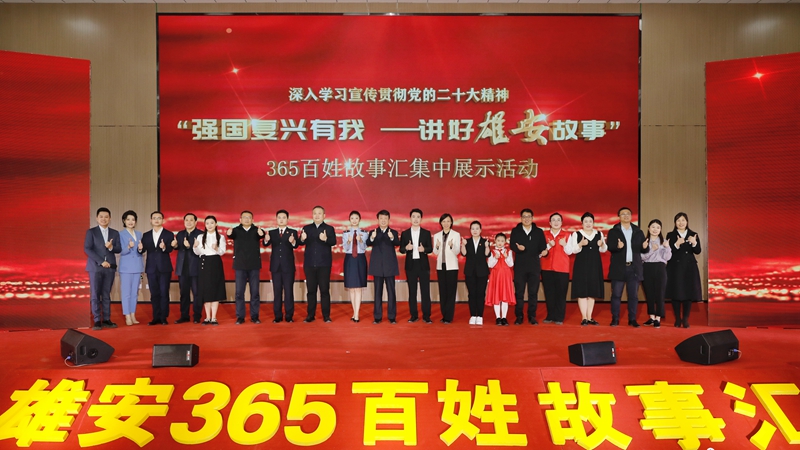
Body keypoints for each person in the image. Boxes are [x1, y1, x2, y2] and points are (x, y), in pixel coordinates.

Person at [606, 207, 650, 327]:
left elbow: (643, 249)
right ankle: (615, 319)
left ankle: (632, 319)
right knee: (616, 295)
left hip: (634, 268)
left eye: (628, 214)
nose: (626, 216)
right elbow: (610, 247)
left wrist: (645, 247)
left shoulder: (638, 231)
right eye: (623, 214)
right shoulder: (614, 231)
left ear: (631, 216)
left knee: (633, 296)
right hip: (618, 268)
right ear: (619, 217)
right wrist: (617, 247)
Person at [565, 212, 607, 326]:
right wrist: (580, 244)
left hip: (594, 265)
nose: (588, 224)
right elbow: (571, 250)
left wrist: (602, 244)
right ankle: (583, 317)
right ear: (582, 223)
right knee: (582, 291)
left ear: (593, 223)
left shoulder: (599, 233)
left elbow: (604, 249)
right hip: (581, 265)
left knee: (592, 291)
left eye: (590, 221)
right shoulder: (576, 234)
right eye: (586, 221)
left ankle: (589, 317)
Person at [84, 207, 121, 330]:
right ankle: (96, 320)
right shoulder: (91, 232)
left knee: (106, 294)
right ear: (97, 218)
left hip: (109, 268)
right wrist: (101, 261)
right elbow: (87, 249)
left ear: (110, 218)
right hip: (95, 267)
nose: (103, 219)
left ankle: (106, 319)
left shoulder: (115, 233)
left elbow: (119, 249)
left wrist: (111, 247)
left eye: (106, 217)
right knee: (95, 294)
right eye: (101, 216)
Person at [509, 209, 548, 325]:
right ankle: (519, 316)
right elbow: (512, 245)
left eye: (529, 216)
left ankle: (532, 316)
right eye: (524, 217)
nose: (526, 219)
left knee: (533, 293)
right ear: (521, 218)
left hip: (534, 267)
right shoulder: (515, 231)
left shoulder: (538, 232)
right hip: (520, 267)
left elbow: (543, 247)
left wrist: (545, 252)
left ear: (532, 218)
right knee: (519, 293)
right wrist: (518, 249)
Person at [298, 206, 337, 322]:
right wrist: (302, 239)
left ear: (324, 216)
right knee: (311, 291)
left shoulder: (329, 228)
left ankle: (326, 316)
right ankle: (310, 315)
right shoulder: (306, 228)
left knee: (324, 290)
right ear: (312, 215)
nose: (317, 215)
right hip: (309, 264)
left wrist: (325, 239)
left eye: (319, 213)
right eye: (315, 213)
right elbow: (300, 242)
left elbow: (333, 242)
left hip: (324, 264)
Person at [227, 210, 266, 325]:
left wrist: (261, 234)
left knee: (255, 292)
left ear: (253, 220)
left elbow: (262, 235)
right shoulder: (236, 230)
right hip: (240, 265)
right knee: (239, 293)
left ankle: (255, 316)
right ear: (240, 220)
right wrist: (229, 233)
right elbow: (230, 235)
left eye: (249, 217)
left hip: (254, 265)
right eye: (244, 217)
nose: (247, 219)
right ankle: (240, 317)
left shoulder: (256, 230)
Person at [666, 212, 702, 328]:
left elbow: (698, 251)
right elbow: (667, 252)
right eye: (678, 220)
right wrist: (676, 244)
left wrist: (694, 243)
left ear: (687, 222)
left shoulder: (693, 234)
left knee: (688, 293)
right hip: (675, 267)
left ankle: (685, 319)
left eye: (683, 220)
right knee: (676, 293)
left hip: (689, 267)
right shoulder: (670, 235)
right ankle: (677, 318)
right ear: (675, 223)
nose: (681, 223)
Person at [138, 211, 174, 326]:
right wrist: (140, 249)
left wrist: (164, 247)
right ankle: (155, 317)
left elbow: (170, 249)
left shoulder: (169, 234)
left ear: (163, 220)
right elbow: (143, 250)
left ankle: (163, 317)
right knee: (154, 294)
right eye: (154, 218)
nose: (157, 220)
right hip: (151, 268)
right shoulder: (146, 235)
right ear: (151, 220)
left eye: (159, 218)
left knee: (164, 292)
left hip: (164, 268)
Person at [263, 210, 299, 323]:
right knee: (277, 291)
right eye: (279, 217)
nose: (281, 219)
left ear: (287, 219)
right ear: (276, 219)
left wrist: (293, 242)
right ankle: (277, 316)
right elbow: (265, 244)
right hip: (275, 266)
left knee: (288, 292)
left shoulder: (292, 232)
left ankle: (289, 316)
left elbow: (296, 245)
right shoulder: (272, 232)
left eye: (284, 217)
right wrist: (266, 240)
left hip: (288, 267)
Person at [399, 208, 433, 323]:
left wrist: (424, 249)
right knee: (412, 292)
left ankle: (426, 316)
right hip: (411, 266)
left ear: (421, 219)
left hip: (423, 265)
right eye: (413, 217)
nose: (416, 219)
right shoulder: (405, 233)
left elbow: (430, 248)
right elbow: (401, 249)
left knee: (425, 291)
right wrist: (406, 248)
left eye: (418, 217)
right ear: (410, 218)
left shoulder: (426, 233)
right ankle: (413, 315)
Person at [367, 210, 401, 324]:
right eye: (381, 218)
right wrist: (372, 238)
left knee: (391, 292)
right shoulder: (373, 232)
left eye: (385, 218)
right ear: (378, 220)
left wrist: (391, 238)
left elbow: (397, 243)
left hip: (390, 267)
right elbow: (368, 243)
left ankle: (392, 317)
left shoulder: (393, 232)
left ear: (389, 220)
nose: (383, 220)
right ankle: (377, 317)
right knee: (377, 293)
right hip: (377, 267)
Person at [193, 216, 226, 325]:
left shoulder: (220, 237)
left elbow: (222, 251)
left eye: (212, 223)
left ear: (216, 224)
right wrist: (195, 247)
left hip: (215, 263)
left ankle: (214, 317)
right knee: (205, 290)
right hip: (204, 262)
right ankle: (207, 317)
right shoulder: (200, 236)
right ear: (205, 225)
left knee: (215, 289)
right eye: (207, 223)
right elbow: (197, 252)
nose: (210, 225)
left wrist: (217, 249)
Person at [171, 213, 203, 324]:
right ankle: (184, 315)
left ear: (195, 222)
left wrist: (190, 246)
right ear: (184, 222)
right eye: (186, 220)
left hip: (195, 267)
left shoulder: (200, 234)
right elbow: (179, 247)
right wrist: (175, 246)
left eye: (191, 220)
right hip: (182, 268)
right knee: (184, 294)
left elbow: (202, 250)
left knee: (197, 293)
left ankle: (197, 316)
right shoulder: (180, 234)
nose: (188, 222)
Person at [641, 219, 672, 328]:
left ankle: (658, 318)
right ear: (649, 228)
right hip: (647, 267)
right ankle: (651, 317)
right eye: (653, 227)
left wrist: (667, 247)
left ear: (660, 229)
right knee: (649, 293)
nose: (655, 229)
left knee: (660, 293)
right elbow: (641, 257)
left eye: (658, 227)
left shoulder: (664, 241)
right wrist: (651, 250)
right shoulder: (644, 241)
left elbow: (667, 257)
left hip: (660, 267)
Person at [540, 213, 570, 325]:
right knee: (549, 293)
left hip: (562, 268)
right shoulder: (544, 235)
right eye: (553, 220)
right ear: (549, 222)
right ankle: (550, 316)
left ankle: (559, 317)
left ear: (561, 223)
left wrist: (565, 245)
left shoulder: (567, 235)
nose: (556, 222)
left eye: (558, 220)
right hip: (546, 267)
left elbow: (570, 252)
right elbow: (540, 252)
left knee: (561, 294)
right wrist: (549, 246)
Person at [460, 221, 490, 325]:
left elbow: (487, 254)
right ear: (470, 230)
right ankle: (473, 315)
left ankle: (480, 316)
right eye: (473, 229)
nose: (475, 230)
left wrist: (487, 246)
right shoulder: (467, 242)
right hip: (470, 272)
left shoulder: (485, 241)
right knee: (472, 294)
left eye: (477, 228)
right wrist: (463, 245)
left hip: (482, 272)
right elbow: (464, 253)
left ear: (480, 230)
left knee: (481, 294)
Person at [433, 213, 460, 324]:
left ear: (451, 222)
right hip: (441, 266)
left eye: (448, 221)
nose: (446, 223)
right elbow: (435, 252)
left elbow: (457, 251)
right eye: (444, 221)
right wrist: (437, 246)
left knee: (451, 291)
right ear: (441, 223)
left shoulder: (456, 235)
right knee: (443, 291)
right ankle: (444, 314)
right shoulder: (437, 235)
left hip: (452, 266)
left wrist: (451, 246)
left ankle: (449, 316)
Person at [342, 211, 368, 323]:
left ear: (359, 220)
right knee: (351, 288)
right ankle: (354, 312)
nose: (354, 220)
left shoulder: (364, 233)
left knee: (358, 288)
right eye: (352, 218)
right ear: (349, 220)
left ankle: (356, 314)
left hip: (360, 259)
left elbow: (364, 247)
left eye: (356, 218)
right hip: (349, 259)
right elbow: (345, 248)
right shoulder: (346, 233)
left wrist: (360, 240)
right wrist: (348, 241)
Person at [118, 210, 143, 326]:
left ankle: (133, 314)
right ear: (124, 221)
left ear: (136, 221)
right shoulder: (120, 234)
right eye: (128, 219)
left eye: (133, 219)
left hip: (137, 266)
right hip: (126, 267)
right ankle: (127, 315)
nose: (130, 222)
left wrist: (140, 249)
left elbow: (140, 251)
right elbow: (120, 251)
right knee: (126, 293)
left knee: (134, 293)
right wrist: (128, 247)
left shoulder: (139, 234)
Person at [486, 233, 515, 326]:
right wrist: (495, 258)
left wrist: (506, 257)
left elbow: (511, 264)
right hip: (496, 276)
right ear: (495, 241)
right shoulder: (492, 252)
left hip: (506, 276)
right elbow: (490, 265)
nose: (500, 243)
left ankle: (504, 317)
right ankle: (498, 317)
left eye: (502, 241)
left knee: (505, 297)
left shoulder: (509, 251)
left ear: (505, 242)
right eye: (498, 240)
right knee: (497, 296)